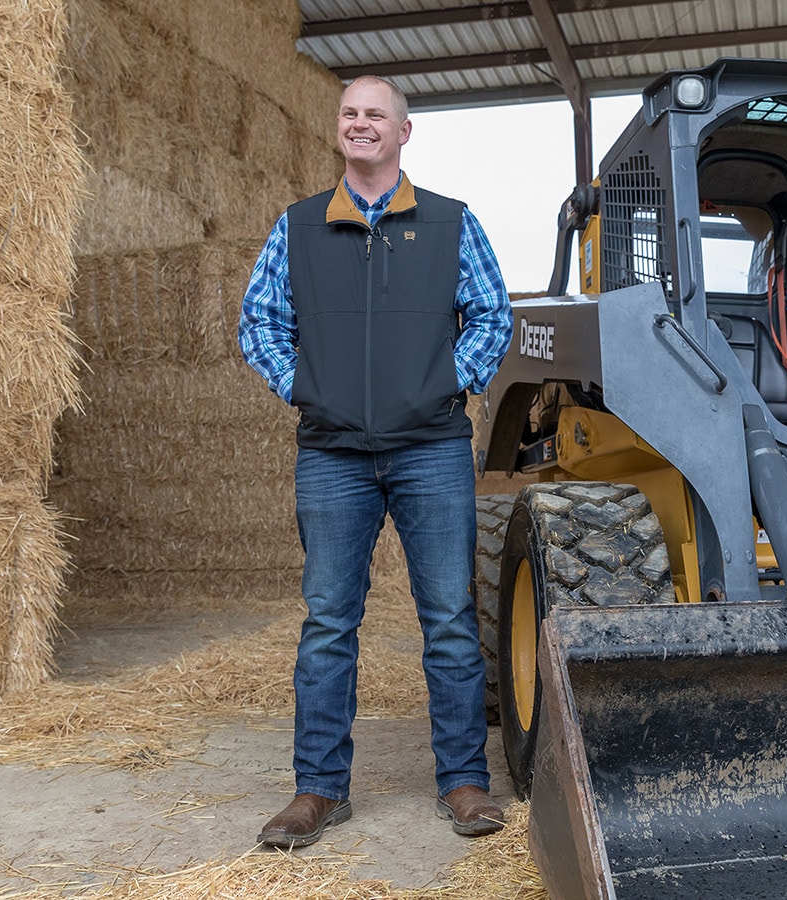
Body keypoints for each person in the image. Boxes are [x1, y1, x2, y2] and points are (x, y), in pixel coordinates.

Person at [238, 74, 512, 846]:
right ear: (340, 129)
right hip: (333, 455)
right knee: (328, 623)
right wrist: (308, 388)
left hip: (431, 450)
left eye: (376, 116)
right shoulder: (297, 226)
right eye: (350, 114)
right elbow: (257, 321)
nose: (361, 125)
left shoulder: (452, 223)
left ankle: (464, 783)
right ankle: (317, 791)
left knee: (451, 621)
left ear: (403, 132)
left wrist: (444, 384)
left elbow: (493, 314)